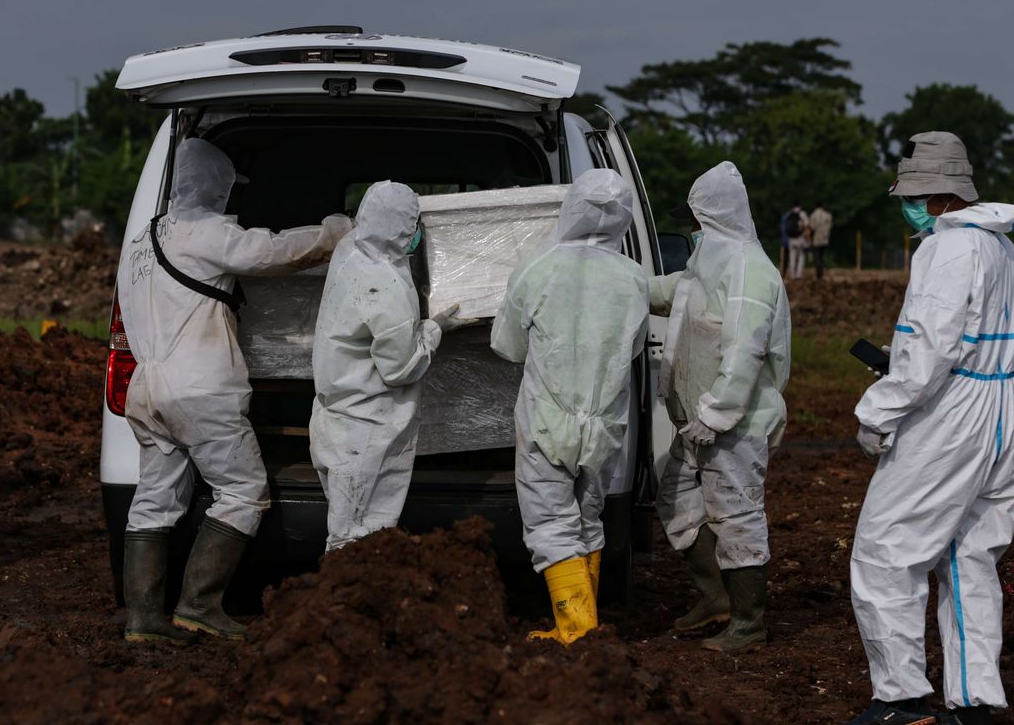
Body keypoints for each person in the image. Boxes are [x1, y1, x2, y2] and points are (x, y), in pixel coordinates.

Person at [117, 138, 353, 643]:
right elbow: (271, 252)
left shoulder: (140, 241)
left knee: (153, 501)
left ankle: (142, 620)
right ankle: (198, 605)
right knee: (243, 490)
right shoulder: (205, 234)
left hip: (147, 389)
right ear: (214, 186)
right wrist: (334, 233)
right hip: (200, 388)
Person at [846, 132, 1014, 725]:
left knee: (885, 552)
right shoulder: (1005, 249)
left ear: (934, 198)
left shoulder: (947, 250)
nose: (907, 208)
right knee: (969, 557)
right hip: (1002, 405)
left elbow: (930, 351)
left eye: (910, 197)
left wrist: (876, 413)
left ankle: (900, 700)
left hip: (951, 413)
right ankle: (976, 703)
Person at [490, 168, 649, 645]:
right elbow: (636, 346)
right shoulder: (633, 277)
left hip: (547, 421)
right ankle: (587, 622)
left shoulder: (538, 268)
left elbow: (507, 346)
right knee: (586, 518)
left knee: (552, 524)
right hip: (605, 425)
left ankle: (577, 632)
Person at [650, 161, 791, 653]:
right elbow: (672, 294)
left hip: (735, 422)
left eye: (695, 222)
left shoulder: (750, 270)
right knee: (678, 503)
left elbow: (744, 351)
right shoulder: (706, 264)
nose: (692, 232)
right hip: (698, 421)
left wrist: (715, 413)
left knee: (737, 517)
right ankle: (716, 597)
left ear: (713, 220)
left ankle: (749, 623)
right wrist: (606, 276)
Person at [309, 181, 470, 552]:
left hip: (335, 417)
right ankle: (341, 608)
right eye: (413, 225)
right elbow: (400, 368)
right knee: (358, 541)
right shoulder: (385, 286)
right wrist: (435, 328)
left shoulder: (351, 248)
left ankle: (349, 605)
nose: (416, 234)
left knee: (351, 530)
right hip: (368, 429)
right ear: (400, 228)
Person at [783, 203, 810, 280]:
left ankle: (792, 275)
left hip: (791, 239)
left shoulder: (789, 214)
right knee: (801, 256)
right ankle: (798, 275)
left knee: (792, 257)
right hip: (800, 238)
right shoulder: (802, 214)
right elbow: (806, 226)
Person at [808, 202, 833, 279]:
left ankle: (819, 273)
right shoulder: (828, 215)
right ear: (823, 206)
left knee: (817, 256)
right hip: (825, 238)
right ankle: (821, 272)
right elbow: (830, 227)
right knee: (822, 256)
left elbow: (812, 227)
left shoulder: (813, 215)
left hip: (817, 238)